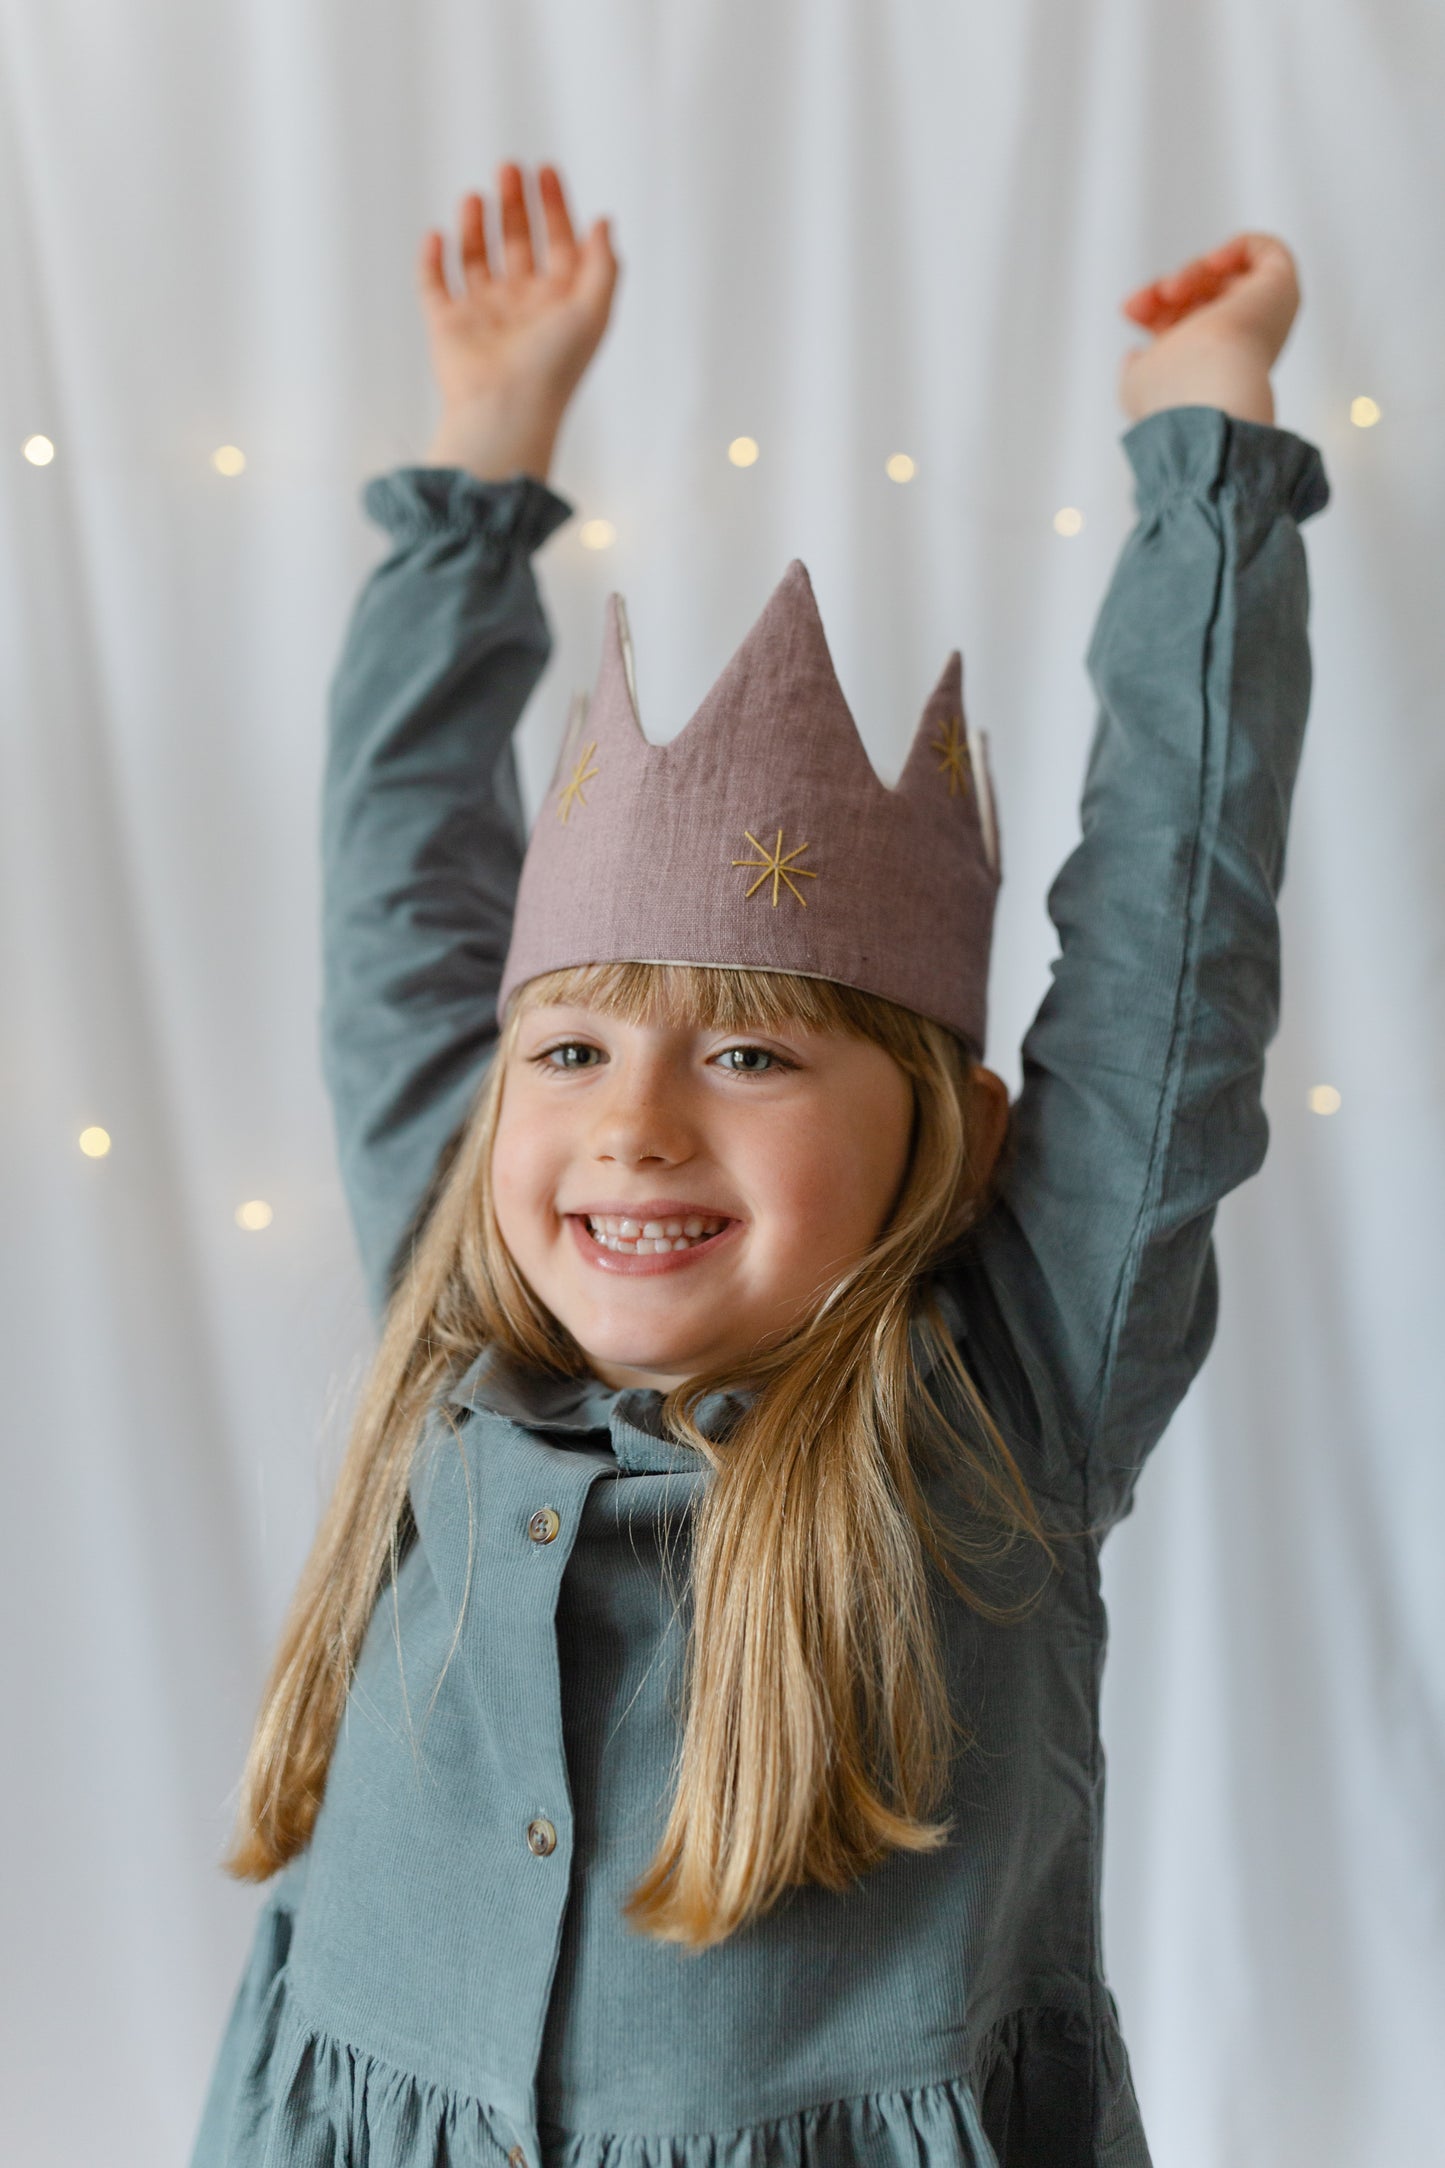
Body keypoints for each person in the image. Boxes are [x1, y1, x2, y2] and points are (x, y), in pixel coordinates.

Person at [191, 161, 1329, 2168]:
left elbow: (1176, 941)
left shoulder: (1001, 1407)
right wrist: (486, 451)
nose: (633, 1121)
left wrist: (1207, 443)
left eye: (746, 1053)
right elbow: (397, 893)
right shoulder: (455, 1314)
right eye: (569, 1047)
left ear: (956, 1143)